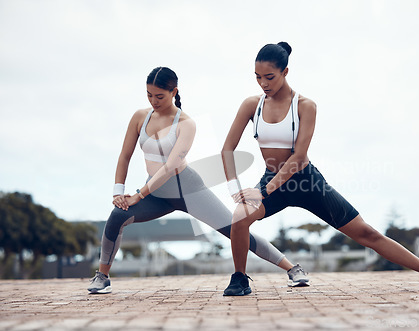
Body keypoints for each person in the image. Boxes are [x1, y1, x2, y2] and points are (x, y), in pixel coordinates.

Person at [221, 42, 419, 296]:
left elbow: (299, 157)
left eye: (270, 77)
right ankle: (239, 279)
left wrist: (263, 191)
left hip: (306, 181)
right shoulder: (252, 105)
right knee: (239, 217)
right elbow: (227, 149)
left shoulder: (305, 106)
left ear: (285, 72)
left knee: (366, 233)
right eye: (258, 78)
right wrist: (236, 189)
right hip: (273, 181)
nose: (263, 84)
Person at [88, 67, 309, 294]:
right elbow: (125, 156)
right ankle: (102, 276)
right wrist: (118, 192)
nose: (154, 101)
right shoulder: (139, 117)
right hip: (156, 195)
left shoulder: (186, 123)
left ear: (174, 92)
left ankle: (292, 269)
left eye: (160, 96)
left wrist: (139, 194)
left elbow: (170, 167)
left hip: (188, 190)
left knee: (235, 230)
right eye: (149, 95)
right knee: (117, 216)